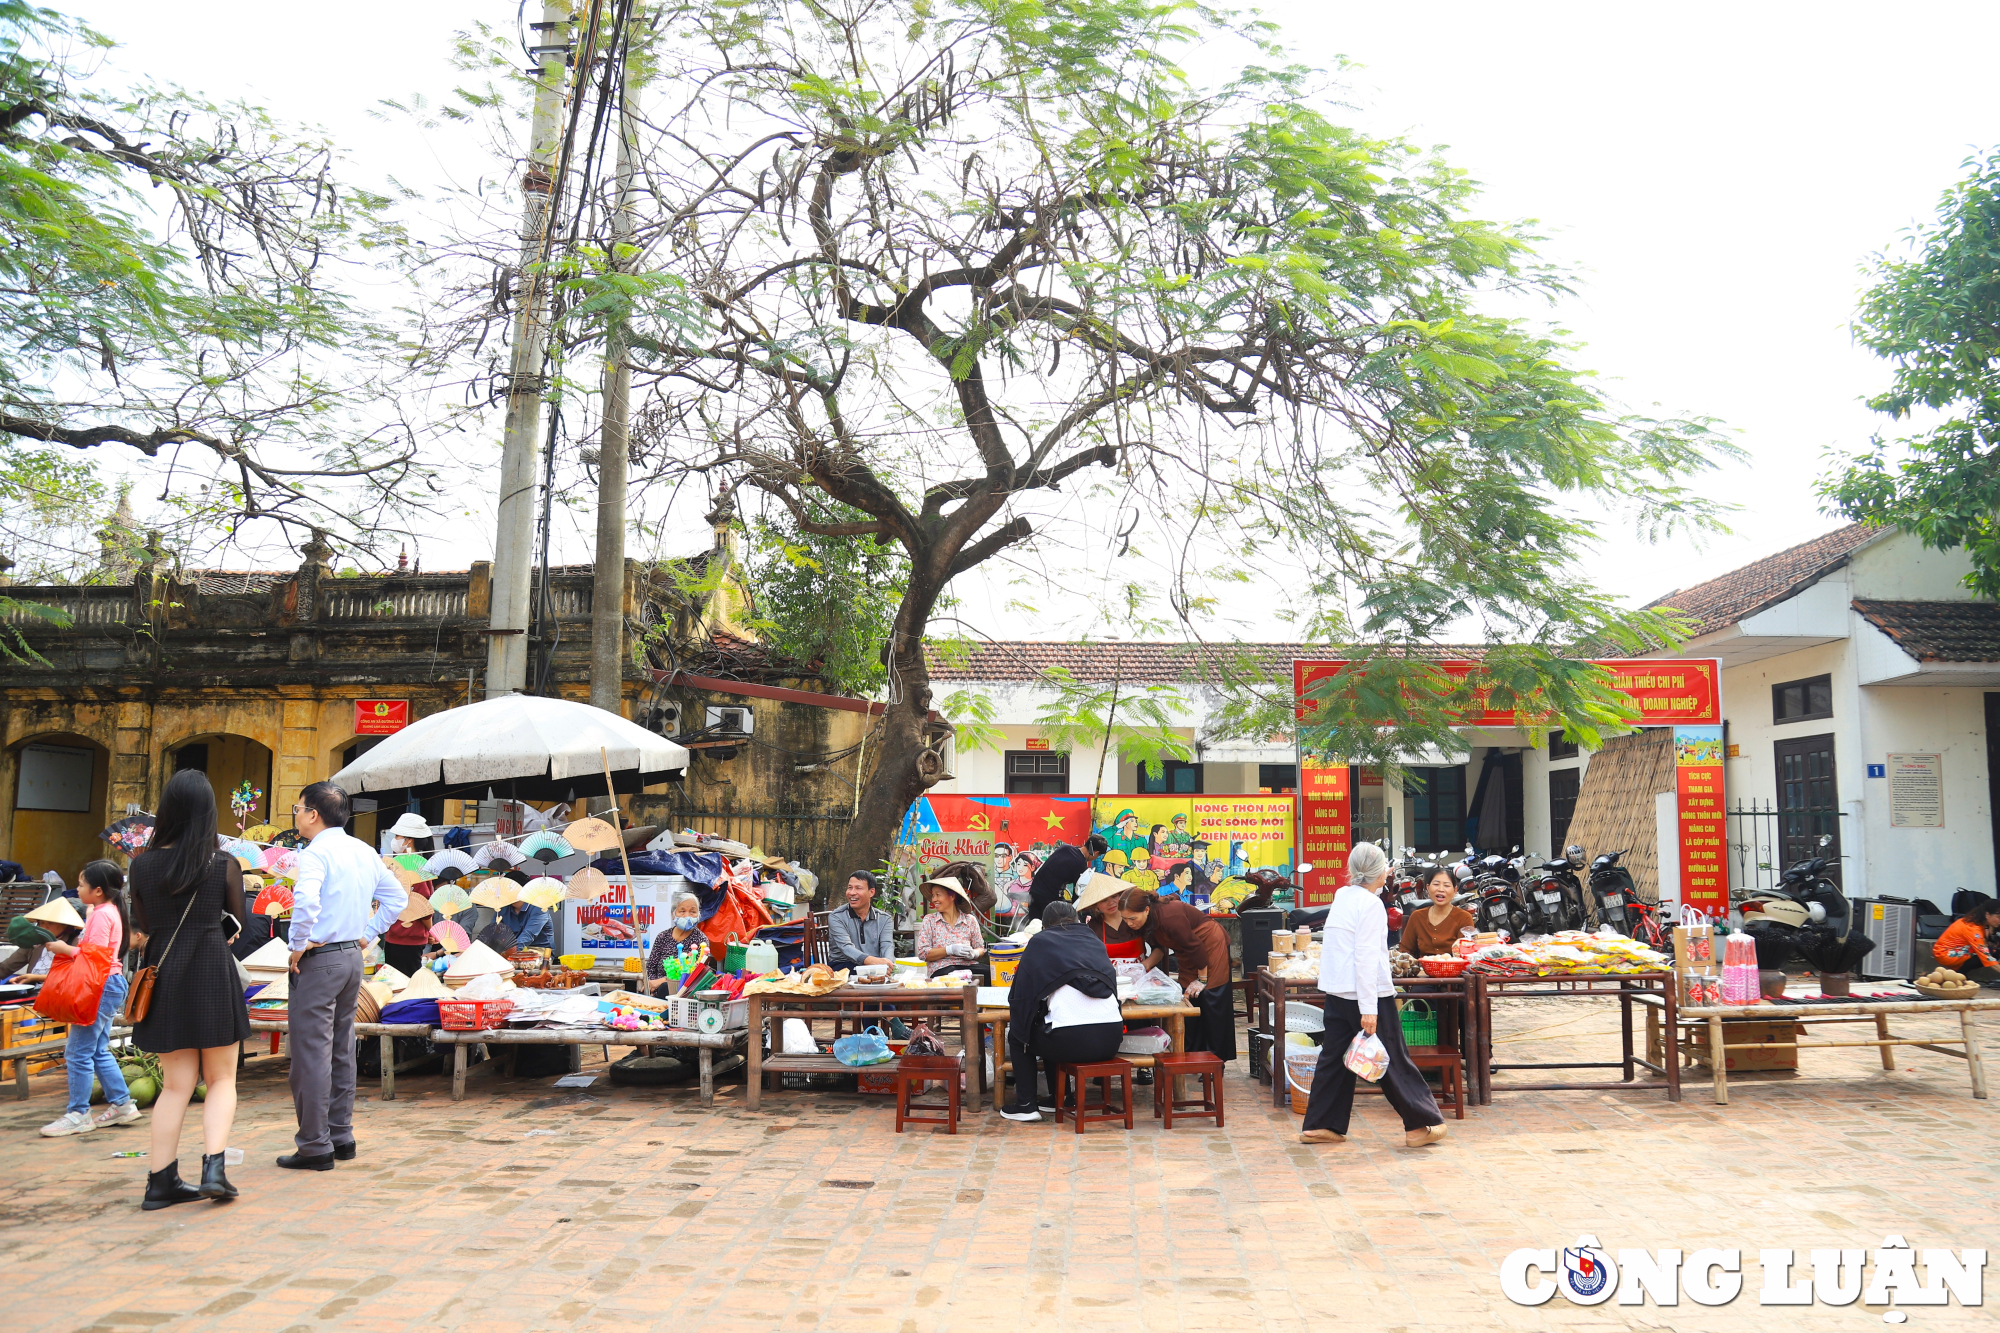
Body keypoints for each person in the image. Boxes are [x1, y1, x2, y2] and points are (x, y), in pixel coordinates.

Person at [128, 770, 253, 1208]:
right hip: (211, 973)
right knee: (221, 1078)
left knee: (176, 1086)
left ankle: (159, 1183)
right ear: (207, 813)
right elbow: (240, 924)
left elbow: (144, 925)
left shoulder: (140, 864)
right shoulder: (223, 864)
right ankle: (213, 1168)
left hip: (162, 973)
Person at [281, 779, 407, 1172]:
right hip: (352, 957)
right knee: (340, 1046)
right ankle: (341, 1134)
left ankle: (315, 1144)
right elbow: (397, 899)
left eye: (299, 809)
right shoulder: (362, 850)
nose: (297, 815)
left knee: (311, 1052)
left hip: (321, 960)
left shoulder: (316, 853)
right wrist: (367, 935)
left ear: (313, 814)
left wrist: (298, 943)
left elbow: (305, 900)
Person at [1300, 843, 1446, 1148]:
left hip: (1339, 990)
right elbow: (1365, 957)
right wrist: (1369, 1009)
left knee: (1334, 1059)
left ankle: (1320, 1125)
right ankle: (1420, 1125)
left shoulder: (1344, 896)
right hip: (1366, 994)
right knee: (1392, 1055)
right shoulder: (1370, 905)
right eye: (1384, 867)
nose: (1388, 872)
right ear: (1378, 872)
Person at [38, 864, 141, 1137]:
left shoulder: (101, 915)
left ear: (97, 891)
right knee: (96, 1050)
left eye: (82, 885)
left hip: (101, 985)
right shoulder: (108, 910)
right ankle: (122, 1104)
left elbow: (95, 958)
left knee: (78, 1052)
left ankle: (79, 1113)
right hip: (110, 983)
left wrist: (65, 949)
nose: (78, 888)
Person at [999, 901, 1123, 1122]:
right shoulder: (1094, 940)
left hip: (1067, 1043)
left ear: (1045, 926)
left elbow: (1021, 995)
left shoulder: (1040, 942)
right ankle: (1062, 1098)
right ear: (1076, 921)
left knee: (1021, 1035)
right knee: (1050, 1025)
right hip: (1112, 1040)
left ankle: (1026, 1105)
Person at [1121, 887, 1238, 1061]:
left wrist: (1201, 979)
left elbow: (1195, 947)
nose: (1129, 923)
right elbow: (1159, 948)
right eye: (1125, 919)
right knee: (1187, 998)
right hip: (1188, 952)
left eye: (1132, 918)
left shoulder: (1169, 916)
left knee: (1210, 997)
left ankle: (1215, 1059)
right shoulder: (1146, 920)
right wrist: (1143, 967)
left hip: (1208, 943)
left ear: (1146, 910)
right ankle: (1191, 1055)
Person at [379, 813, 437, 974]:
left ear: (408, 840)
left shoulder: (416, 869)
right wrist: (429, 930)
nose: (395, 840)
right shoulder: (412, 867)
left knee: (398, 983)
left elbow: (422, 907)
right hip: (403, 936)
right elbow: (425, 911)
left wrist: (429, 930)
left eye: (398, 836)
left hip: (404, 937)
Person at [1399, 864, 1476, 959]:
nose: (1440, 889)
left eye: (1446, 885)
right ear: (1427, 888)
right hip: (1423, 971)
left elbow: (1466, 953)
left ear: (1455, 890)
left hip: (1454, 971)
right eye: (1436, 884)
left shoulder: (1464, 917)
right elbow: (1405, 950)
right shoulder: (1417, 916)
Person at [914, 877, 984, 977]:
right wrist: (949, 950)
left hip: (968, 967)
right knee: (951, 974)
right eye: (933, 895)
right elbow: (923, 953)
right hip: (942, 969)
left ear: (952, 896)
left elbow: (980, 948)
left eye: (938, 895)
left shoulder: (969, 920)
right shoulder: (930, 920)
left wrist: (974, 953)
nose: (934, 899)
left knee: (990, 973)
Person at [1026, 834, 1108, 921]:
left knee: (1034, 925)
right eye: (1098, 856)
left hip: (1034, 891)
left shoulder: (1065, 848)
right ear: (1096, 852)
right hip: (1049, 898)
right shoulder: (1080, 864)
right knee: (1059, 923)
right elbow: (1078, 894)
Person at [826, 870, 893, 970]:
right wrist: (875, 963)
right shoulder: (836, 917)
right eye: (850, 888)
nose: (852, 893)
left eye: (858, 888)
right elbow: (846, 947)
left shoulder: (885, 919)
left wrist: (887, 964)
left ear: (871, 892)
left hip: (876, 966)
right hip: (843, 967)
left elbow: (887, 946)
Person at [645, 895, 708, 993]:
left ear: (698, 914)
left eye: (693, 911)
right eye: (682, 911)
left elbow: (696, 973)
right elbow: (650, 968)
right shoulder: (662, 937)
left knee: (665, 987)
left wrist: (664, 981)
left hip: (685, 992)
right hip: (657, 991)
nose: (687, 916)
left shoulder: (701, 940)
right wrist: (652, 985)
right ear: (673, 914)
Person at [1075, 874, 1143, 962]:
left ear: (1120, 896)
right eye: (1104, 900)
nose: (1111, 903)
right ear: (1096, 905)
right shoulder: (1092, 927)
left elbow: (1158, 948)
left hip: (1142, 973)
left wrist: (1145, 965)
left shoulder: (1136, 917)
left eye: (1114, 896)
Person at [1935, 898, 2000, 986]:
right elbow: (1986, 957)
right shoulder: (1972, 928)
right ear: (1987, 915)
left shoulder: (1975, 921)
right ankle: (1960, 972)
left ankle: (1961, 973)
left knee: (1990, 950)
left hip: (1953, 951)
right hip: (1944, 953)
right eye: (1998, 917)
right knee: (1985, 952)